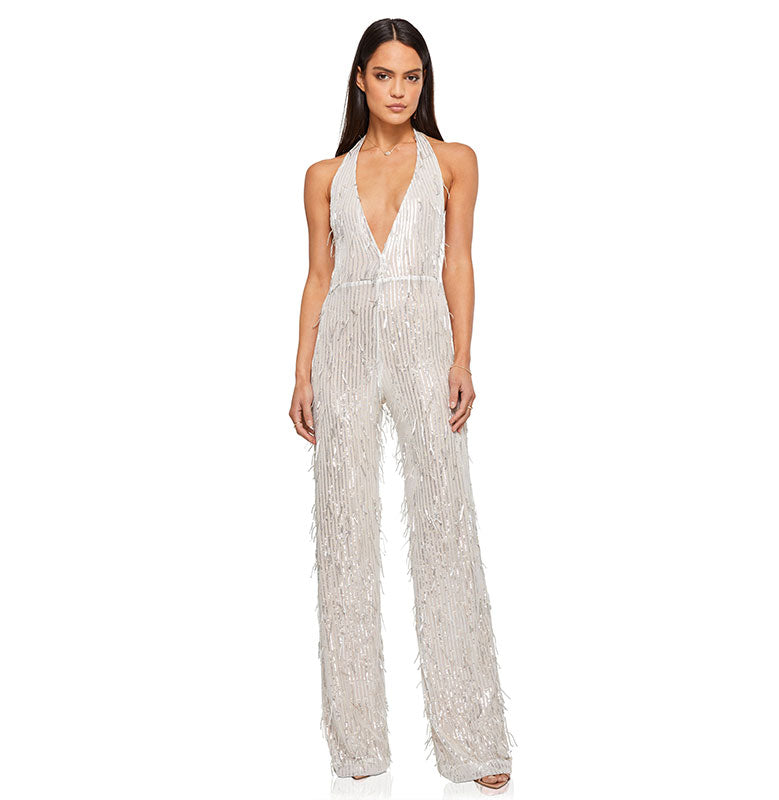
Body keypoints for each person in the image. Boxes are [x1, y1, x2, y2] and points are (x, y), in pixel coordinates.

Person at [290, 18, 514, 790]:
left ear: (425, 82)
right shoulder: (324, 175)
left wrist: (462, 357)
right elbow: (318, 277)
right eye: (384, 75)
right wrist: (302, 375)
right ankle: (357, 750)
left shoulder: (453, 162)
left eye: (411, 77)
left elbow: (459, 261)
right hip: (344, 350)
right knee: (343, 541)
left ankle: (474, 743)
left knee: (446, 533)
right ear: (360, 79)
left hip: (425, 345)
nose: (398, 90)